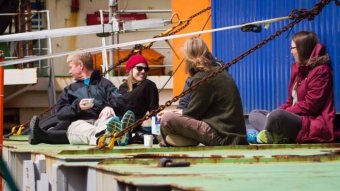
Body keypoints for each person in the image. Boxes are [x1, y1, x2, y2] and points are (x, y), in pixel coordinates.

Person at [249, 31, 340, 144]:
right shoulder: (298, 71)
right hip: (295, 118)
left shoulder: (321, 71)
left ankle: (270, 135)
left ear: (302, 49)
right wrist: (276, 111)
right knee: (254, 114)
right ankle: (276, 136)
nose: (291, 51)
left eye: (293, 48)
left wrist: (281, 112)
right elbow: (290, 101)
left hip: (311, 123)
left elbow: (311, 106)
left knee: (277, 116)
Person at [157, 37, 247, 147]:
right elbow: (196, 109)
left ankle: (167, 140)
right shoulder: (219, 71)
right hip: (232, 135)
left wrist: (171, 113)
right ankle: (176, 139)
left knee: (167, 119)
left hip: (222, 137)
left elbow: (193, 113)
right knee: (170, 117)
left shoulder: (202, 77)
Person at [28, 51, 122, 145]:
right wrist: (77, 106)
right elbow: (60, 113)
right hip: (81, 123)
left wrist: (109, 106)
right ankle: (109, 136)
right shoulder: (70, 90)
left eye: (70, 67)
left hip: (102, 120)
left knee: (109, 119)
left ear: (80, 65)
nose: (69, 71)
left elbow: (119, 99)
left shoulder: (105, 84)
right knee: (80, 128)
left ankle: (107, 134)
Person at [118, 54, 159, 143]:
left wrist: (158, 131)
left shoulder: (149, 86)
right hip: (120, 124)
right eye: (139, 68)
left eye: (146, 69)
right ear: (131, 69)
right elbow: (123, 104)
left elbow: (154, 110)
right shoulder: (123, 87)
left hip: (135, 128)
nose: (143, 71)